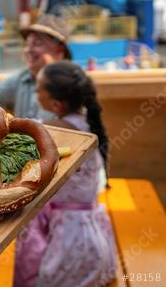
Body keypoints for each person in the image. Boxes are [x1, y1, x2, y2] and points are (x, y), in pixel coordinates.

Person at [13, 61, 116, 287]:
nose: (35, 92)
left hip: (66, 238)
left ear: (56, 104)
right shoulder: (87, 121)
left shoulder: (57, 130)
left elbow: (14, 128)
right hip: (89, 228)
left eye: (38, 88)